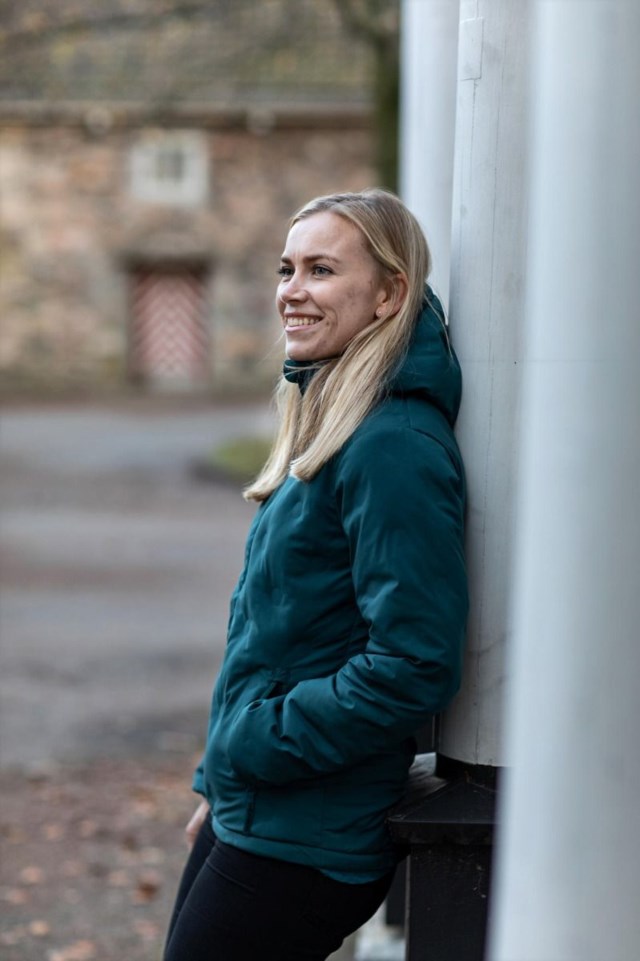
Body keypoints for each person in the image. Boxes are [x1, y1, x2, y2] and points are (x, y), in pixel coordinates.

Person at [164, 189, 469, 961]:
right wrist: (222, 777)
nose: (292, 291)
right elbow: (277, 634)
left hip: (308, 835)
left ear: (389, 294)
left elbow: (414, 662)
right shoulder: (339, 417)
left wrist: (254, 744)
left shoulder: (394, 444)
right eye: (287, 268)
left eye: (322, 269)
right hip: (261, 805)